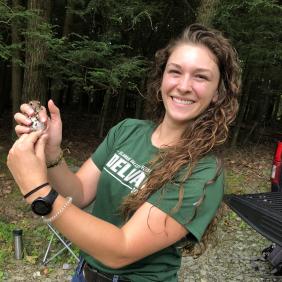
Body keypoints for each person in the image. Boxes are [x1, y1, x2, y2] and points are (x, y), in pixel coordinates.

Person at [7, 23, 241, 282]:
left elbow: (121, 250)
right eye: (175, 72)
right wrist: (52, 152)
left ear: (218, 92)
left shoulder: (203, 172)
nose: (184, 86)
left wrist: (38, 192)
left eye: (200, 77)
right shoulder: (128, 131)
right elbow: (78, 193)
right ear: (162, 78)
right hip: (84, 273)